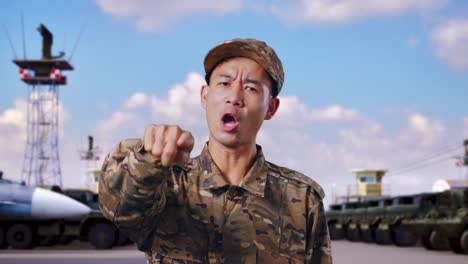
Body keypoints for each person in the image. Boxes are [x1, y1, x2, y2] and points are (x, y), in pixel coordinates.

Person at [99, 38, 332, 264]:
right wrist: (147, 160)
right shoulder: (167, 184)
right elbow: (118, 210)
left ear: (271, 107)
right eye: (224, 83)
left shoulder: (302, 200)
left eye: (250, 88)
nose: (234, 97)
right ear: (205, 95)